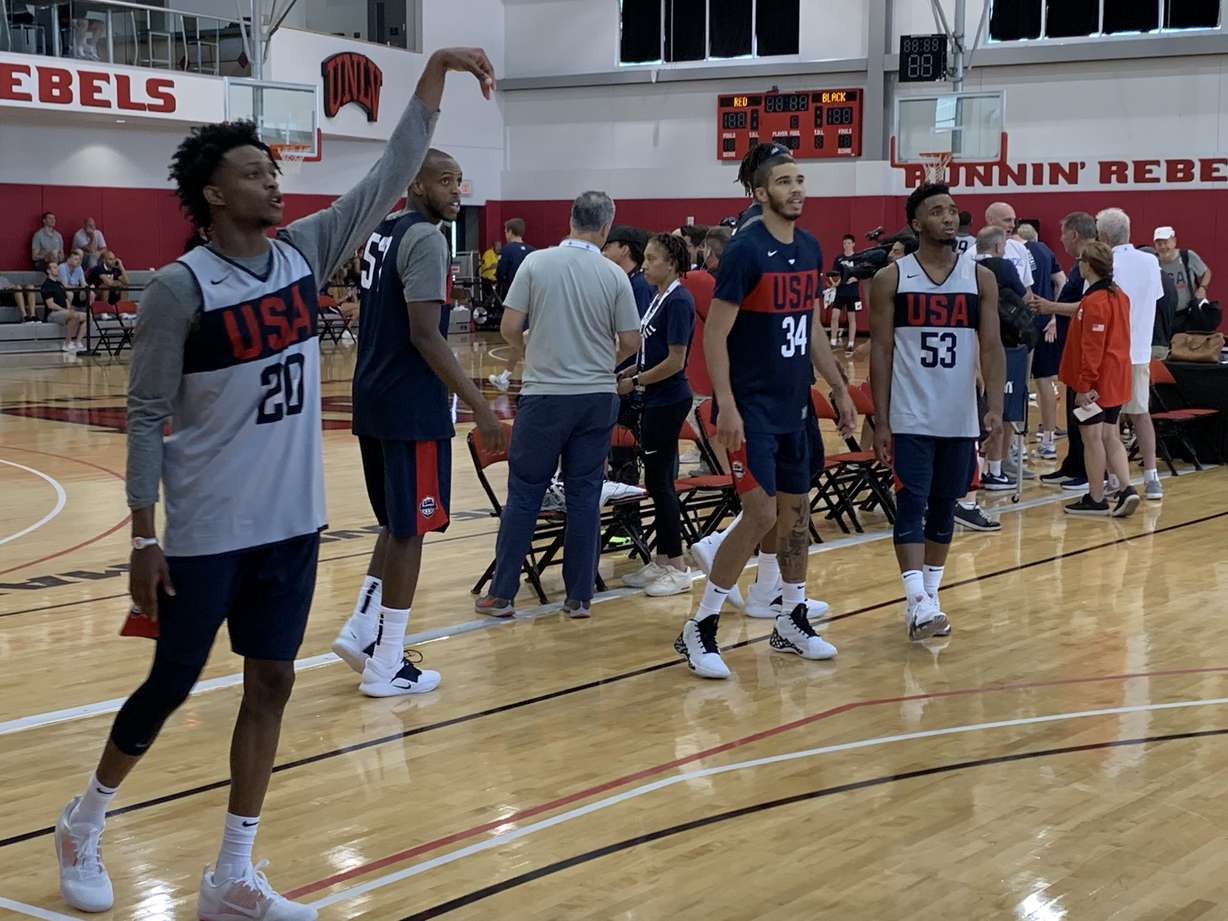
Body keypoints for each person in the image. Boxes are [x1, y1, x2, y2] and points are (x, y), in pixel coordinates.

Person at [49, 46, 495, 919]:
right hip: (207, 527)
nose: (273, 181)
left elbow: (393, 167)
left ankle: (231, 876)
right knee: (171, 684)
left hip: (293, 522)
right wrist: (143, 532)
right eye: (255, 172)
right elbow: (143, 415)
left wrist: (435, 70)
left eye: (273, 168)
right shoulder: (180, 290)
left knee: (271, 685)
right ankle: (84, 818)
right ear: (215, 193)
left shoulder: (306, 250)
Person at [674, 142, 855, 679]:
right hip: (750, 408)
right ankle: (699, 626)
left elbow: (814, 325)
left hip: (794, 404)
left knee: (797, 514)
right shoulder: (745, 250)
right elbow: (716, 338)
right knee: (762, 514)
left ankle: (791, 617)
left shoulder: (810, 248)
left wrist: (840, 389)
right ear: (760, 192)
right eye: (783, 182)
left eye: (800, 180)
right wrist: (726, 405)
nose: (795, 189)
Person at [333, 148, 506, 698]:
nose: (457, 190)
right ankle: (387, 662)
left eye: (460, 180)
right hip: (410, 404)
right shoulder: (429, 238)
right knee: (412, 531)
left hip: (373, 396)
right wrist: (479, 405)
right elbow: (424, 333)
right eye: (446, 181)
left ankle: (362, 627)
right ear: (416, 184)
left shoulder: (383, 232)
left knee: (395, 522)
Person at [475, 192, 641, 620]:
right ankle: (579, 597)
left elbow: (510, 326)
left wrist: (530, 344)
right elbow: (631, 342)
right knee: (585, 495)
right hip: (596, 398)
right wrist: (602, 362)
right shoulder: (614, 275)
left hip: (546, 394)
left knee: (525, 494)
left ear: (570, 219)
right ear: (606, 228)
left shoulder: (536, 263)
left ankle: (503, 594)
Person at [870, 183, 1004, 641]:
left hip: (959, 413)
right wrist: (882, 419)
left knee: (946, 505)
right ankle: (917, 601)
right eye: (937, 211)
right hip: (910, 412)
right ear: (916, 223)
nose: (948, 218)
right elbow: (881, 351)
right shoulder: (892, 278)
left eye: (951, 211)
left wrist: (996, 411)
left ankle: (928, 599)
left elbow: (991, 346)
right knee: (910, 502)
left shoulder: (979, 278)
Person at [619, 233, 695, 597]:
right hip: (653, 397)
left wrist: (634, 381)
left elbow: (675, 361)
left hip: (667, 399)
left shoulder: (679, 300)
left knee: (661, 483)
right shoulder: (659, 297)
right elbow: (651, 350)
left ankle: (678, 566)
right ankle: (663, 558)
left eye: (652, 259)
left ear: (672, 263)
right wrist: (628, 370)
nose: (645, 264)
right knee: (655, 482)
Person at [1059, 241, 1140, 518]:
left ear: (1088, 265)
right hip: (1117, 377)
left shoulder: (1094, 302)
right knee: (1110, 435)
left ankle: (1095, 497)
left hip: (1097, 381)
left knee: (1092, 438)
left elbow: (1092, 348)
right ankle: (1127, 488)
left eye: (1081, 260)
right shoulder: (1120, 296)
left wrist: (1084, 387)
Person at [1096, 207, 1165, 501]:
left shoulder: (1104, 264)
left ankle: (1114, 480)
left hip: (1110, 353)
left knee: (1106, 423)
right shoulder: (1150, 261)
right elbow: (1157, 297)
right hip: (1139, 350)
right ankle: (1151, 478)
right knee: (1140, 414)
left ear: (1102, 235)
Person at [1030, 211, 1098, 492]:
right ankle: (1073, 464)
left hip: (1089, 348)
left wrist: (1051, 308)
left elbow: (1092, 306)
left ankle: (1090, 473)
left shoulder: (1093, 265)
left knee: (1087, 414)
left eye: (1062, 234)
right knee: (1072, 410)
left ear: (1074, 235)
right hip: (1072, 345)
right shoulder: (1076, 266)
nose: (1060, 240)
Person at [973, 226, 1025, 491]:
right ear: (997, 247)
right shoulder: (1002, 268)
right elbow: (1023, 296)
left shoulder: (965, 266)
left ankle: (979, 469)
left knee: (977, 411)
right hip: (1003, 346)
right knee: (1003, 410)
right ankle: (996, 468)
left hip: (972, 347)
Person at [1015, 223, 1067, 460]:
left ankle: (1018, 443)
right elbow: (1061, 281)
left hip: (1022, 322)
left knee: (1019, 383)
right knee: (1045, 382)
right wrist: (1054, 314)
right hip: (1046, 321)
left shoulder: (1012, 251)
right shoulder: (1045, 251)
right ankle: (1048, 440)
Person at [1153, 225, 1214, 332]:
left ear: (1174, 241)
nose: (1163, 247)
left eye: (1165, 242)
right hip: (1163, 317)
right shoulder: (1153, 262)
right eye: (1159, 244)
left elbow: (1206, 272)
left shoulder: (1187, 257)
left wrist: (1202, 288)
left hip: (1186, 315)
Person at [602, 224, 654, 316]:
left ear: (624, 250)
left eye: (607, 248)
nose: (603, 253)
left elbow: (640, 324)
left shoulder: (641, 285)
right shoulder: (626, 280)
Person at [984, 201, 1034, 292]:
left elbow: (1027, 289)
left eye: (1014, 221)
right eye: (1007, 220)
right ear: (990, 220)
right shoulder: (972, 254)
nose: (1013, 225)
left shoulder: (1020, 249)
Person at [40, 261, 86, 351]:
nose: (57, 269)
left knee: (89, 316)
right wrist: (65, 310)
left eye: (57, 267)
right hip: (52, 314)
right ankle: (67, 343)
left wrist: (69, 308)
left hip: (63, 311)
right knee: (73, 315)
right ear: (48, 271)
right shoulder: (46, 285)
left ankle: (78, 342)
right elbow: (50, 305)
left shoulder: (59, 284)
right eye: (54, 268)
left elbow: (66, 300)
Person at [829, 233, 861, 354]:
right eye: (844, 243)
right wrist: (834, 282)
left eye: (849, 243)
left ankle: (851, 343)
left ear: (853, 244)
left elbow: (862, 272)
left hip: (852, 292)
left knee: (851, 318)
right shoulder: (839, 259)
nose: (846, 245)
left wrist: (856, 278)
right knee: (834, 316)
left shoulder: (858, 258)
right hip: (840, 292)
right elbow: (833, 274)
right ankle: (833, 341)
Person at [496, 217, 534, 300]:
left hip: (512, 291)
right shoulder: (532, 250)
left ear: (510, 232)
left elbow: (501, 272)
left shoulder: (507, 249)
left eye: (505, 232)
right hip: (529, 291)